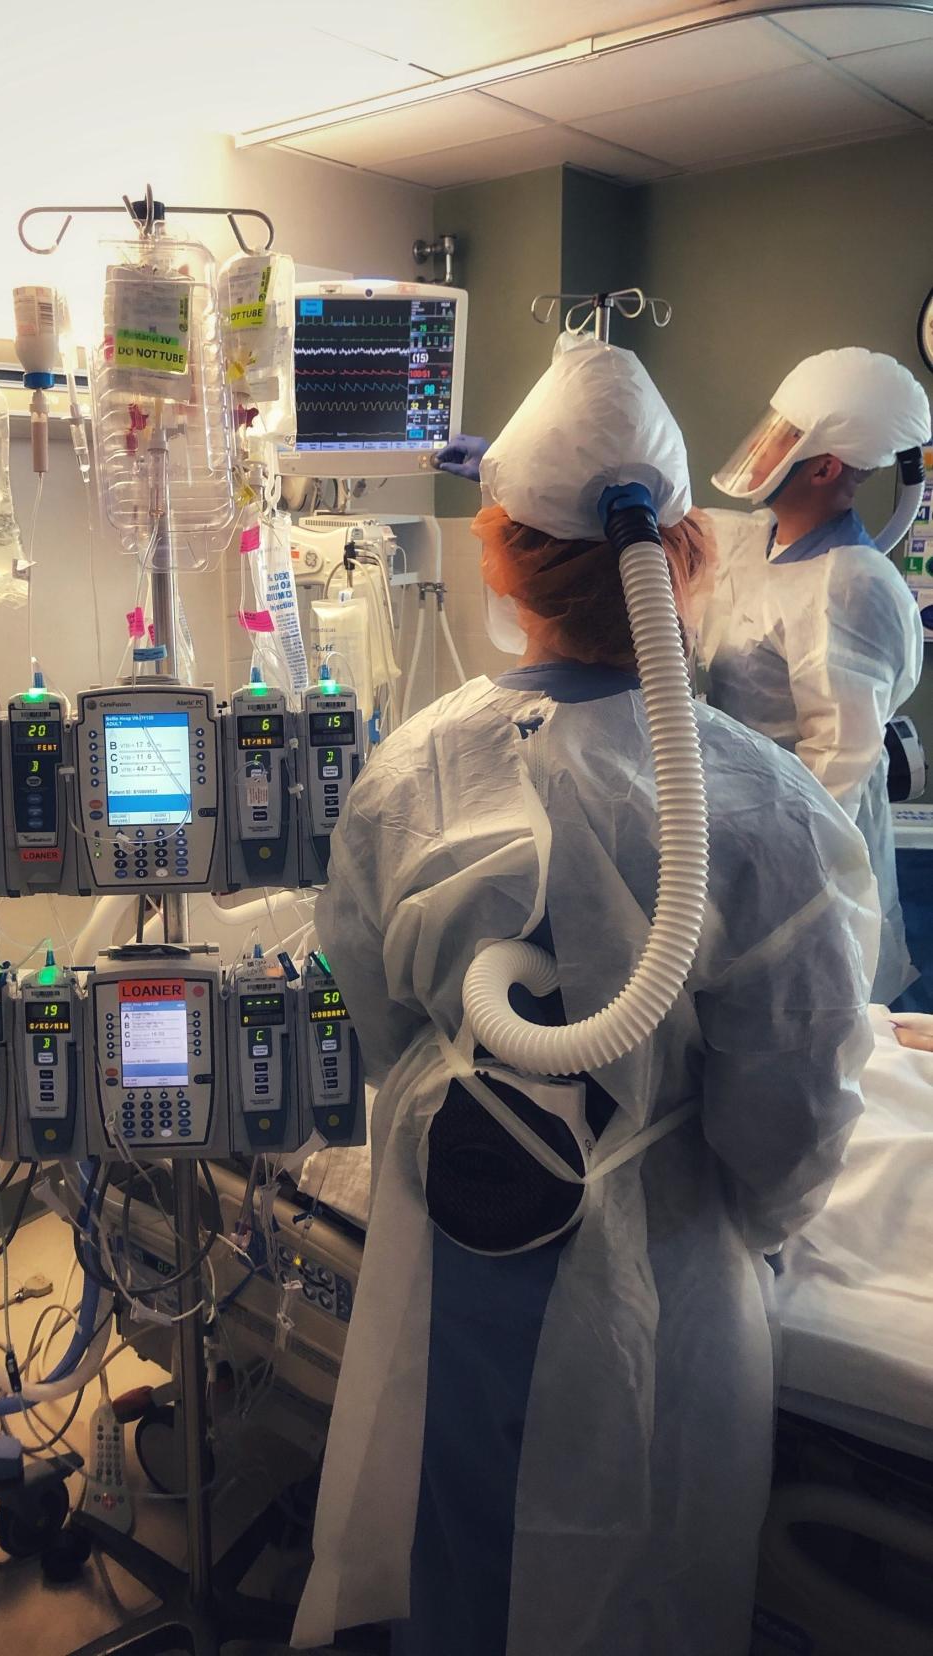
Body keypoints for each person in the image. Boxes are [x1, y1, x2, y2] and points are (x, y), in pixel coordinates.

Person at [292, 333, 880, 1656]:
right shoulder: (761, 806)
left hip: (454, 1253)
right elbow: (791, 1107)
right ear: (684, 551)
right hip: (660, 1282)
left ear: (498, 556)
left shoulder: (410, 770)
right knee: (634, 1576)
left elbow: (371, 1028)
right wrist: (761, 1229)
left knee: (460, 1564)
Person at [698, 348, 929, 1004]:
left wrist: (783, 905)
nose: (761, 451)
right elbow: (654, 528)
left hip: (804, 876)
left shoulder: (851, 587)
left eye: (781, 441)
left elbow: (838, 783)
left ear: (826, 466)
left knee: (809, 1043)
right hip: (743, 834)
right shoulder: (754, 540)